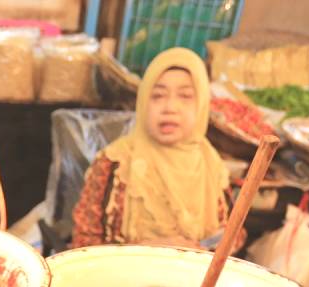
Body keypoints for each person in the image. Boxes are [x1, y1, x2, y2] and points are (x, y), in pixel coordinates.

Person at [72, 47, 240, 251]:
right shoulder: (115, 164)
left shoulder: (212, 166)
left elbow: (235, 235)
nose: (170, 107)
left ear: (202, 105)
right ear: (143, 102)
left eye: (185, 96)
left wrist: (208, 248)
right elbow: (82, 246)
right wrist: (148, 250)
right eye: (158, 96)